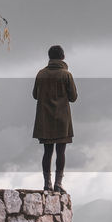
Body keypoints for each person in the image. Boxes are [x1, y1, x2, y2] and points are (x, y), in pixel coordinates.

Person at [32, 44, 78, 193]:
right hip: (62, 119)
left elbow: (35, 95)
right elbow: (73, 97)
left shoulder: (40, 74)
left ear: (49, 57)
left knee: (47, 152)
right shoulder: (66, 75)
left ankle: (47, 183)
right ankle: (58, 183)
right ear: (63, 57)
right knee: (61, 152)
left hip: (45, 118)